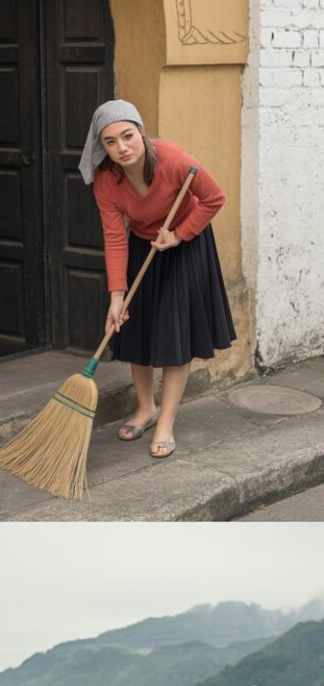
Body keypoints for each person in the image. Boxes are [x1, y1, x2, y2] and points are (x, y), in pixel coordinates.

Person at [79, 100, 235, 460]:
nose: (122, 148)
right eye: (111, 141)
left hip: (184, 243)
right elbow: (115, 236)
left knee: (172, 332)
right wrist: (117, 297)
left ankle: (165, 421)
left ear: (141, 131)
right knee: (137, 329)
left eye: (127, 136)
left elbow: (214, 198)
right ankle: (145, 408)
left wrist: (179, 235)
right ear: (102, 146)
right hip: (143, 244)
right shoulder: (106, 180)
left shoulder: (174, 159)